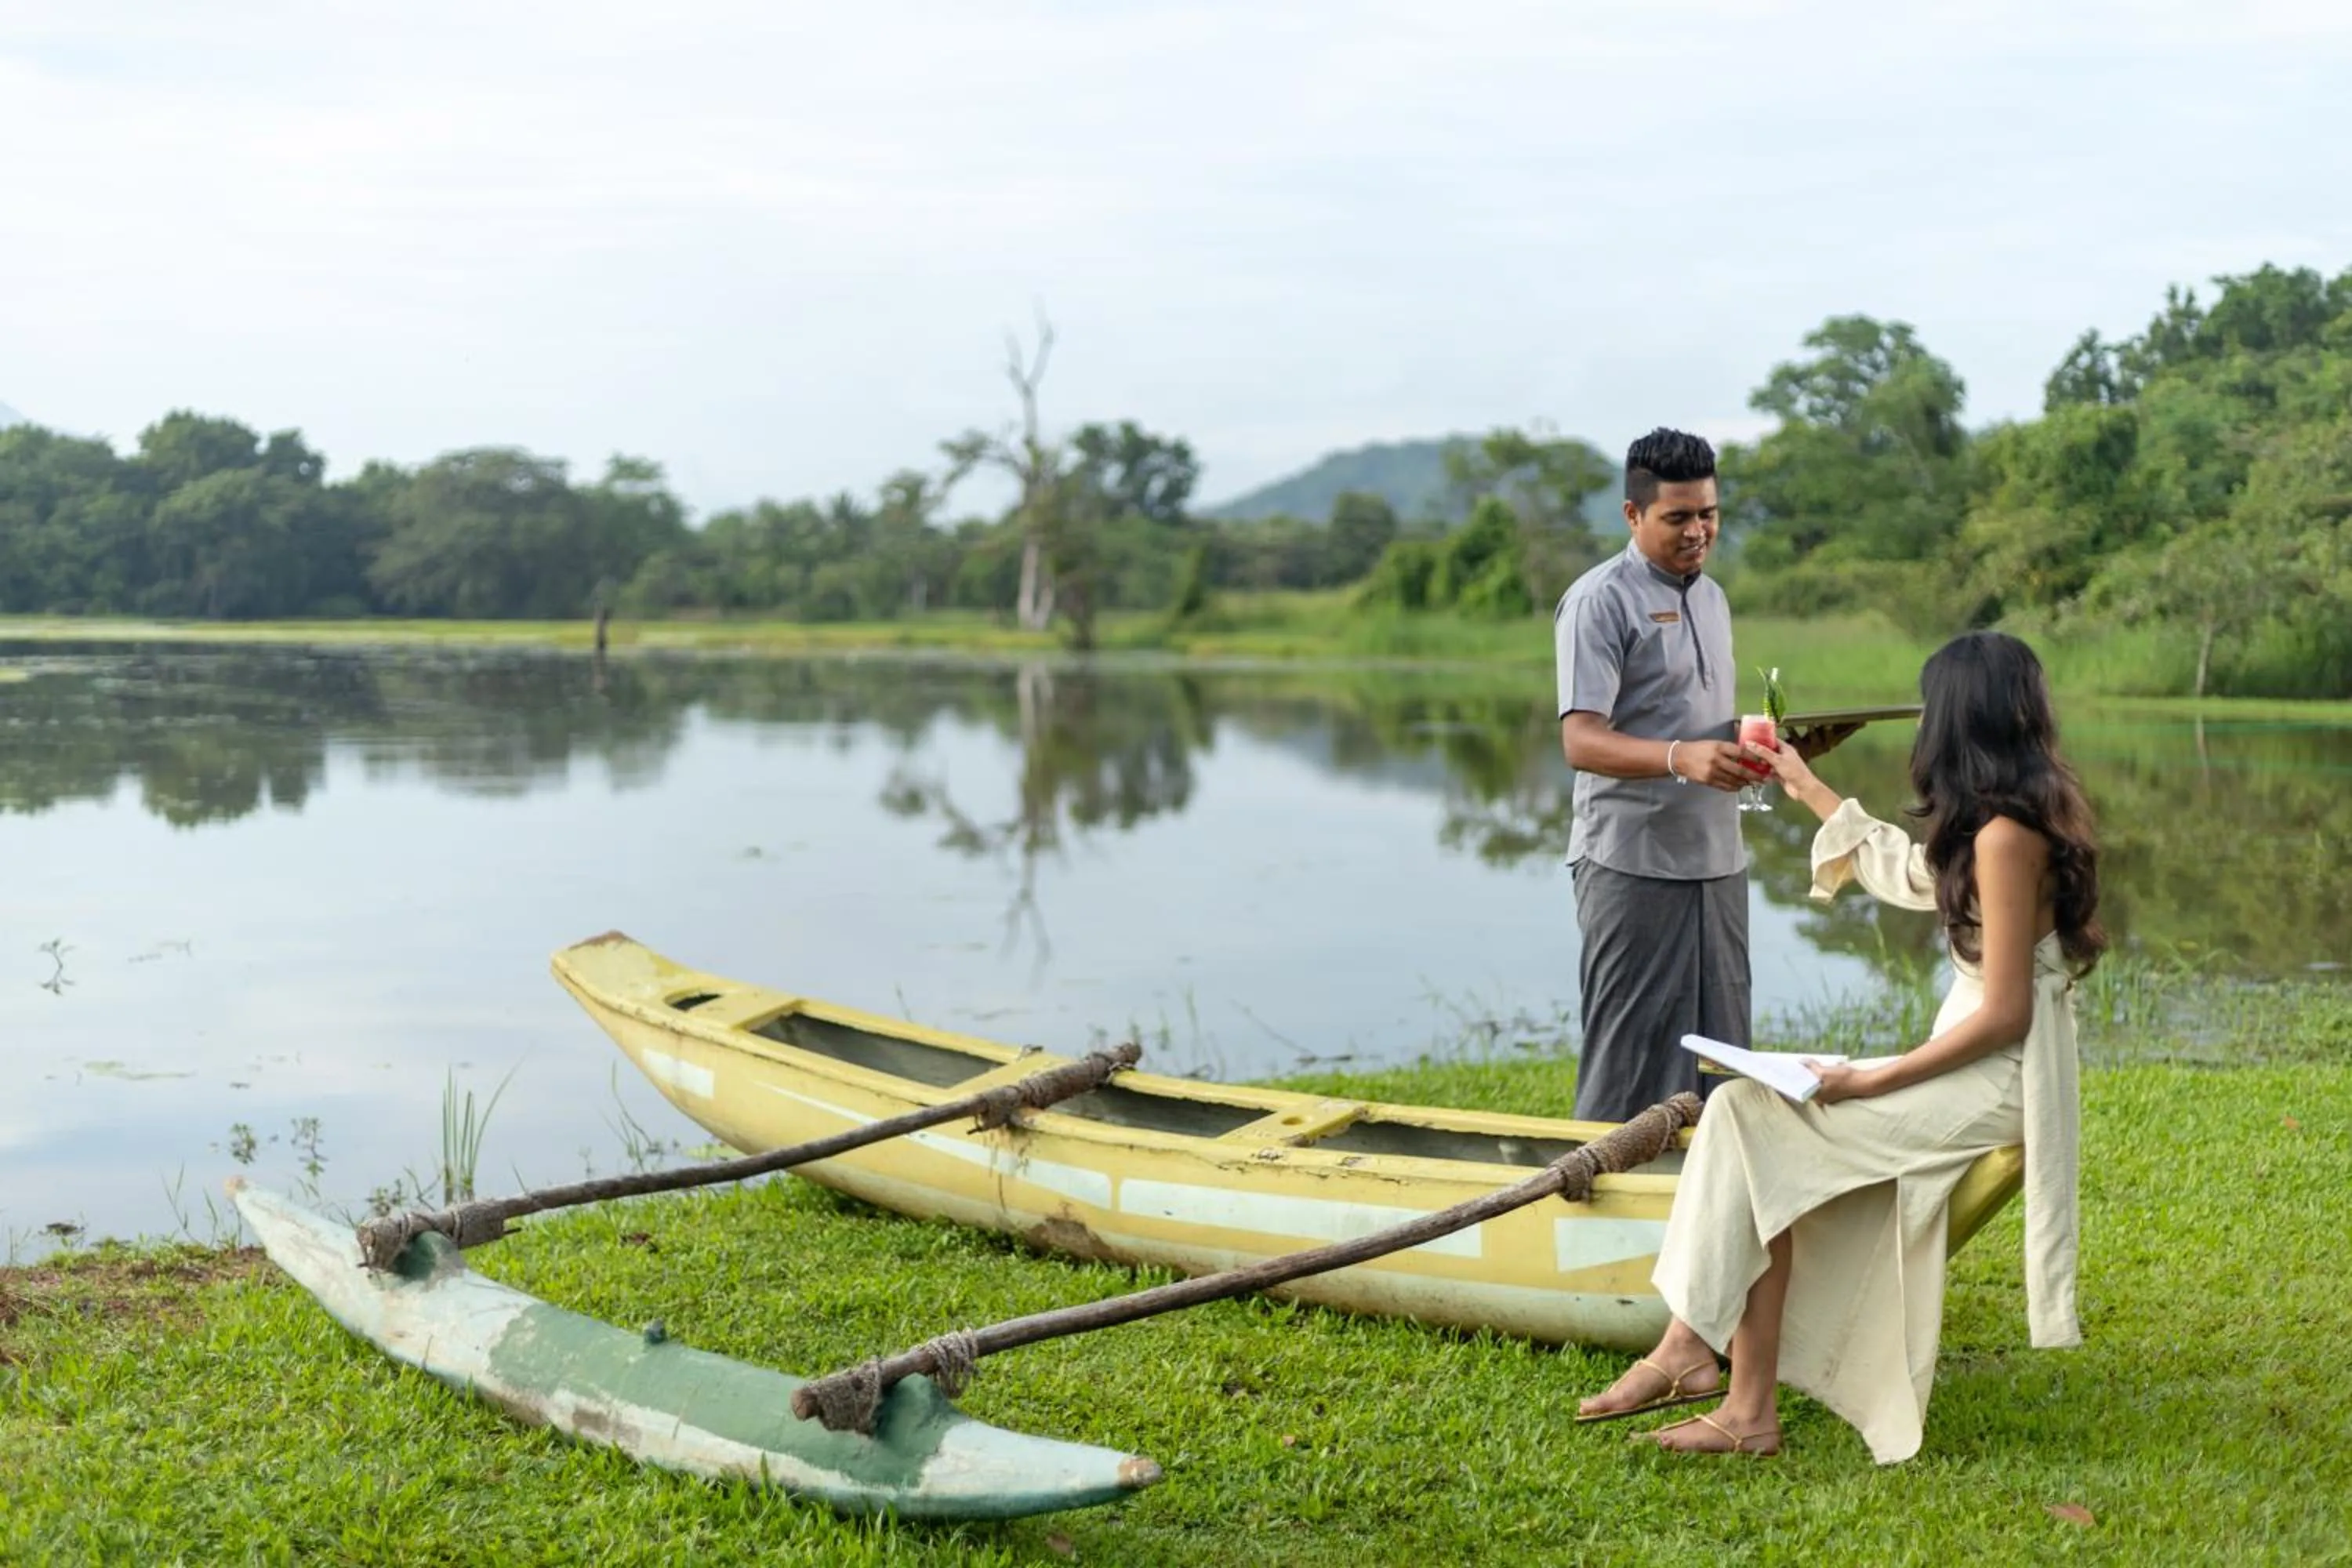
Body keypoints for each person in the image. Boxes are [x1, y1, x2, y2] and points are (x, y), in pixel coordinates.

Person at [1574, 630, 2104, 1461]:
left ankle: (1702, 1361)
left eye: (1934, 711)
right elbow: (1909, 869)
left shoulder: (2006, 837)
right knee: (1746, 1113)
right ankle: (1720, 1379)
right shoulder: (2004, 822)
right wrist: (1803, 781)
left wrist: (1869, 1077)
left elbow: (2005, 1015)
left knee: (1750, 1114)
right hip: (1973, 1057)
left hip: (1998, 1074)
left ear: (1959, 722)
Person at [1553, 427, 1849, 1123]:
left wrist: (1780, 749)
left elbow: (1700, 727)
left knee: (1723, 1058)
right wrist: (1677, 757)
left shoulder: (1712, 598)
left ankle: (1706, 1210)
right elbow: (1580, 739)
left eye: (1708, 514)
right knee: (1630, 1057)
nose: (1698, 531)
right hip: (1631, 860)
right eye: (1678, 517)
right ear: (1633, 515)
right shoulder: (1600, 600)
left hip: (1716, 860)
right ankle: (1594, 1212)